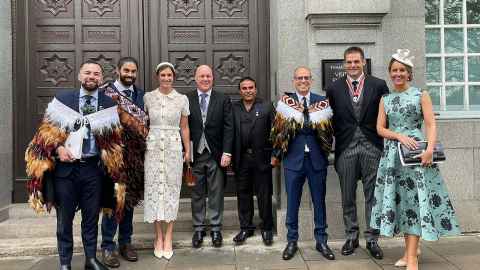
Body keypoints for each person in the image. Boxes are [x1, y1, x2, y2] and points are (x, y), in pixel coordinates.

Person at [25, 60, 126, 270]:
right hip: (65, 171)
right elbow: (45, 135)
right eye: (87, 72)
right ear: (80, 76)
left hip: (93, 169)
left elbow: (114, 140)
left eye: (96, 74)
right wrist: (58, 148)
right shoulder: (62, 100)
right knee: (64, 219)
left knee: (91, 217)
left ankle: (90, 259)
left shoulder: (108, 104)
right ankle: (65, 263)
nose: (92, 76)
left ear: (101, 78)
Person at [370, 49, 461, 270]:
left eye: (402, 70)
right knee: (401, 202)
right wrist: (398, 135)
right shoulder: (386, 99)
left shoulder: (421, 94)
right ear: (390, 73)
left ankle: (412, 257)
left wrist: (429, 149)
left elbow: (430, 123)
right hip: (393, 158)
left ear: (409, 73)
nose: (398, 74)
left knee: (414, 201)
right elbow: (380, 128)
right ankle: (412, 249)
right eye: (394, 70)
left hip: (417, 156)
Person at [325, 46, 388, 259]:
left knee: (373, 196)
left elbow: (386, 116)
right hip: (346, 148)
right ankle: (351, 236)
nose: (352, 65)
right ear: (344, 64)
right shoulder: (334, 88)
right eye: (349, 62)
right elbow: (330, 120)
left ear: (364, 63)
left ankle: (372, 239)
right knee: (347, 196)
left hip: (372, 146)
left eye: (356, 62)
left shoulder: (378, 85)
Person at [271, 67, 335, 261]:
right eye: (299, 78)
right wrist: (276, 155)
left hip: (316, 160)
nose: (303, 81)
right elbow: (278, 132)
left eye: (306, 78)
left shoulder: (321, 102)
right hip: (293, 159)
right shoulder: (286, 103)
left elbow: (329, 132)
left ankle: (321, 240)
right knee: (292, 203)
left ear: (311, 80)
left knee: (319, 202)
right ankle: (291, 241)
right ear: (294, 80)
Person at [101, 57, 149, 268]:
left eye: (133, 71)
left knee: (128, 201)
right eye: (126, 70)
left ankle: (126, 242)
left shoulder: (141, 95)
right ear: (118, 70)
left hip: (134, 159)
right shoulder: (106, 93)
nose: (130, 74)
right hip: (113, 157)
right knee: (113, 202)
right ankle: (108, 246)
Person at [143, 62, 191, 260]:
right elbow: (143, 123)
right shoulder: (148, 97)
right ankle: (158, 237)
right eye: (163, 75)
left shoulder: (181, 99)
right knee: (153, 188)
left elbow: (185, 127)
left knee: (172, 189)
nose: (166, 78)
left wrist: (187, 151)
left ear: (174, 77)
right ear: (158, 77)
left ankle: (169, 236)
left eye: (169, 75)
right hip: (153, 147)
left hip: (172, 147)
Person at [186, 65, 233, 248]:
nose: (205, 79)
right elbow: (182, 126)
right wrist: (185, 151)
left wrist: (227, 152)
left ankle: (215, 228)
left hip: (216, 154)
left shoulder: (222, 98)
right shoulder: (186, 98)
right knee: (196, 193)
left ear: (213, 78)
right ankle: (198, 228)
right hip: (195, 154)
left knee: (216, 193)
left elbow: (229, 127)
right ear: (195, 78)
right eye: (202, 76)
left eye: (208, 76)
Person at [231, 77, 275, 246]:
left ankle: (266, 228)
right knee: (243, 194)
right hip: (241, 158)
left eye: (251, 87)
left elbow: (276, 131)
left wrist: (276, 154)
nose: (248, 90)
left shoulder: (266, 106)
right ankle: (246, 228)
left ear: (256, 89)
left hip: (262, 158)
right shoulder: (234, 107)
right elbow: (229, 130)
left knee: (264, 194)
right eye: (244, 88)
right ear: (240, 91)